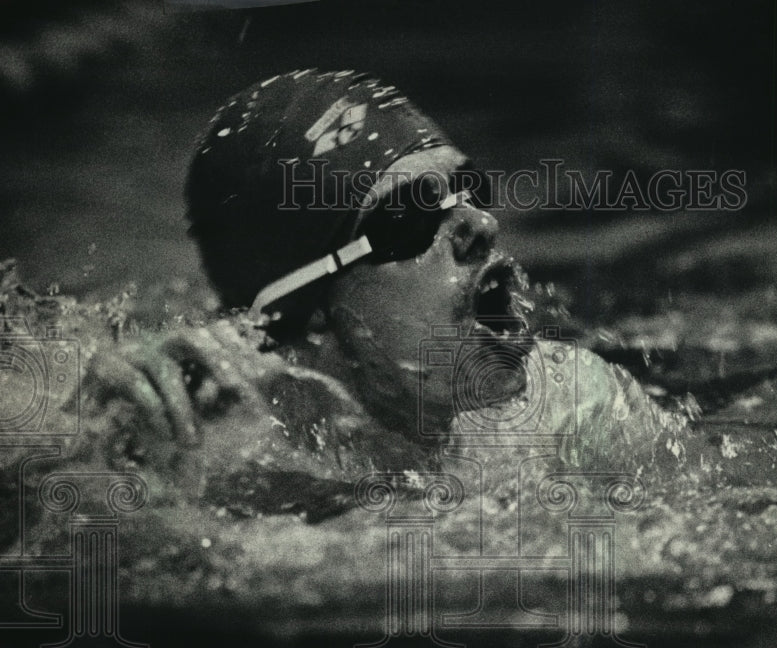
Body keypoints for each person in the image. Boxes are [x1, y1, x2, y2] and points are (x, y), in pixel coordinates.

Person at [81, 69, 691, 517]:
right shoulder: (231, 459)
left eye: (468, 188)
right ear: (308, 316)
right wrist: (119, 457)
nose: (480, 224)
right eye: (407, 217)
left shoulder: (573, 405)